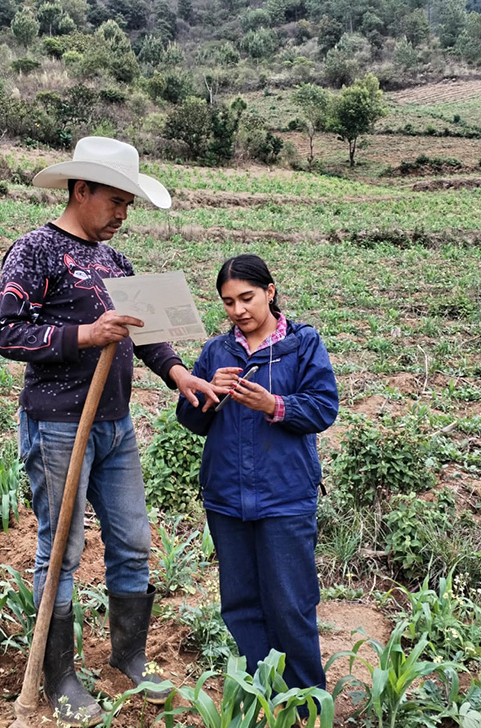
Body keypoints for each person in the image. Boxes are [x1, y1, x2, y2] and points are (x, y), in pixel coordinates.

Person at [0, 136, 219, 726]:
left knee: (132, 540)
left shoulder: (116, 263)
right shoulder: (35, 251)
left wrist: (178, 375)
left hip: (115, 423)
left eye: (129, 204)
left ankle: (129, 654)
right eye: (115, 201)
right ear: (81, 189)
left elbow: (145, 334)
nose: (122, 214)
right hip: (60, 425)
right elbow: (8, 334)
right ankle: (60, 674)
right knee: (62, 549)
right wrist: (86, 336)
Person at [175, 254, 339, 694]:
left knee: (291, 605)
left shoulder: (302, 344)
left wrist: (274, 405)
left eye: (246, 298)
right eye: (228, 302)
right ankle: (262, 695)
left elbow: (324, 408)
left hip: (285, 496)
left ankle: (304, 704)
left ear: (269, 292)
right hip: (227, 496)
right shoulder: (216, 352)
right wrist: (208, 394)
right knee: (241, 604)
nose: (238, 310)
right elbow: (191, 420)